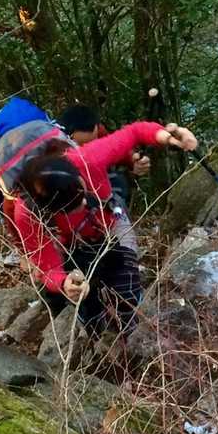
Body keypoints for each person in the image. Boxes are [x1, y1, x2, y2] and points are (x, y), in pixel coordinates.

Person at [10, 119, 197, 346]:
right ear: (49, 209)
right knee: (90, 307)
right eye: (71, 207)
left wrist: (167, 136)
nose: (82, 204)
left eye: (81, 195)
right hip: (72, 241)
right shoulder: (27, 213)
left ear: (78, 175)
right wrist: (64, 283)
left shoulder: (88, 158)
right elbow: (47, 265)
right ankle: (99, 338)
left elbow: (135, 132)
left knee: (126, 284)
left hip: (112, 223)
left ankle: (131, 328)